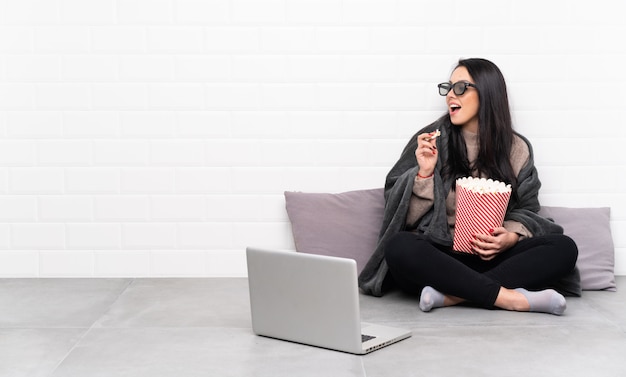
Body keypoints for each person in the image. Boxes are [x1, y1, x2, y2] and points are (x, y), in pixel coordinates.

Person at [358, 58, 580, 315]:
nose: (451, 95)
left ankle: (452, 296)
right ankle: (512, 299)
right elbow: (402, 216)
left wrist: (510, 238)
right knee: (399, 248)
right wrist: (424, 173)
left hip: (492, 260)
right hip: (443, 258)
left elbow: (528, 209)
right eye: (448, 88)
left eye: (461, 87)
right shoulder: (432, 139)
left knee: (564, 248)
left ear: (487, 92)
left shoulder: (517, 148)